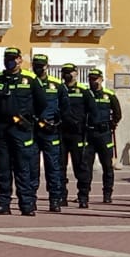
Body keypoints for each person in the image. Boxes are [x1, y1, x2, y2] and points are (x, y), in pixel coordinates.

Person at [0, 47, 45, 216]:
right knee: (3, 169)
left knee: (23, 168)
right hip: (2, 129)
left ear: (20, 60)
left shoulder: (30, 79)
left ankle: (26, 204)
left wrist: (29, 119)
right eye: (7, 58)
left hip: (21, 129)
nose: (9, 61)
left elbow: (41, 103)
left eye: (13, 58)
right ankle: (3, 204)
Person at [31, 54, 68, 213]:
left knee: (53, 167)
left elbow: (65, 108)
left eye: (41, 65)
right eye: (36, 65)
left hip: (51, 131)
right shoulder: (29, 83)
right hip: (32, 130)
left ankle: (55, 200)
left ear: (47, 66)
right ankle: (30, 199)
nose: (39, 68)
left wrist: (58, 123)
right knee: (31, 168)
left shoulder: (57, 85)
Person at [80, 67, 121, 205]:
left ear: (101, 79)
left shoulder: (109, 95)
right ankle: (83, 196)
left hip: (104, 134)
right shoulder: (85, 94)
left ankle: (107, 194)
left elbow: (117, 113)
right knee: (86, 167)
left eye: (96, 79)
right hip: (89, 134)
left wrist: (111, 124)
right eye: (91, 79)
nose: (93, 81)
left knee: (107, 166)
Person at [56, 63, 90, 208]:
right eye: (65, 72)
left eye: (70, 72)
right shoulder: (58, 89)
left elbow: (92, 111)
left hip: (78, 134)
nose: (68, 75)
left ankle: (83, 197)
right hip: (61, 133)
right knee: (60, 168)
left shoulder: (84, 91)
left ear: (76, 73)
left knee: (80, 166)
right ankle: (61, 196)